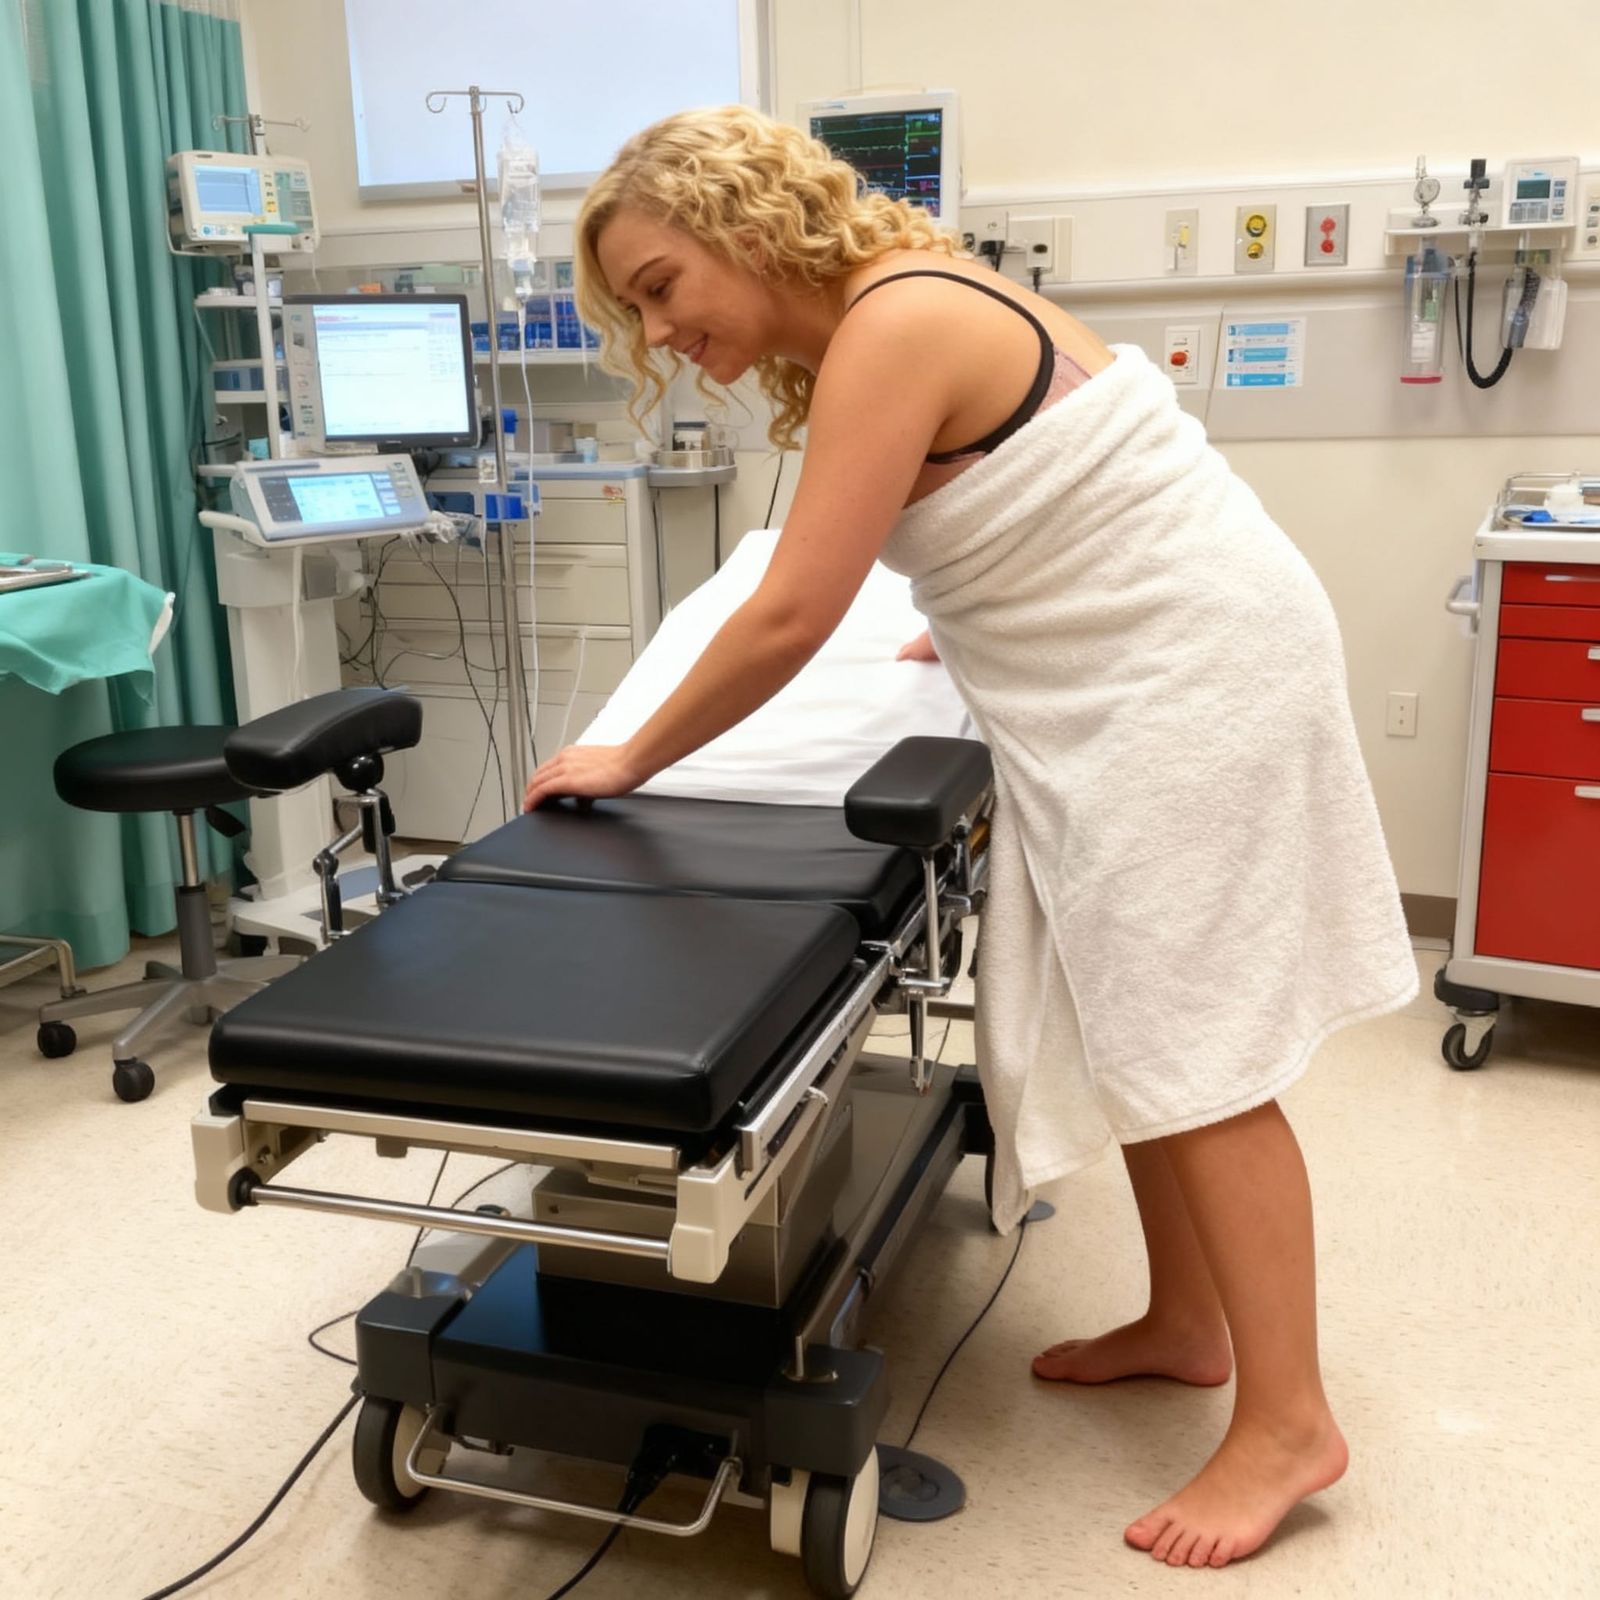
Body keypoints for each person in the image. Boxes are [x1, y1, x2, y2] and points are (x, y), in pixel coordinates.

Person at [521, 105, 1419, 1570]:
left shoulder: (897, 320)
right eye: (637, 308)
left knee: (1202, 1049)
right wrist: (968, 621)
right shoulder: (905, 309)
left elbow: (794, 610)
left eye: (662, 283)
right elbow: (1046, 504)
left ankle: (1291, 1424)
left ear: (744, 224)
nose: (658, 328)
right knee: (1142, 1015)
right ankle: (1189, 1323)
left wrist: (631, 752)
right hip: (1153, 655)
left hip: (1187, 681)